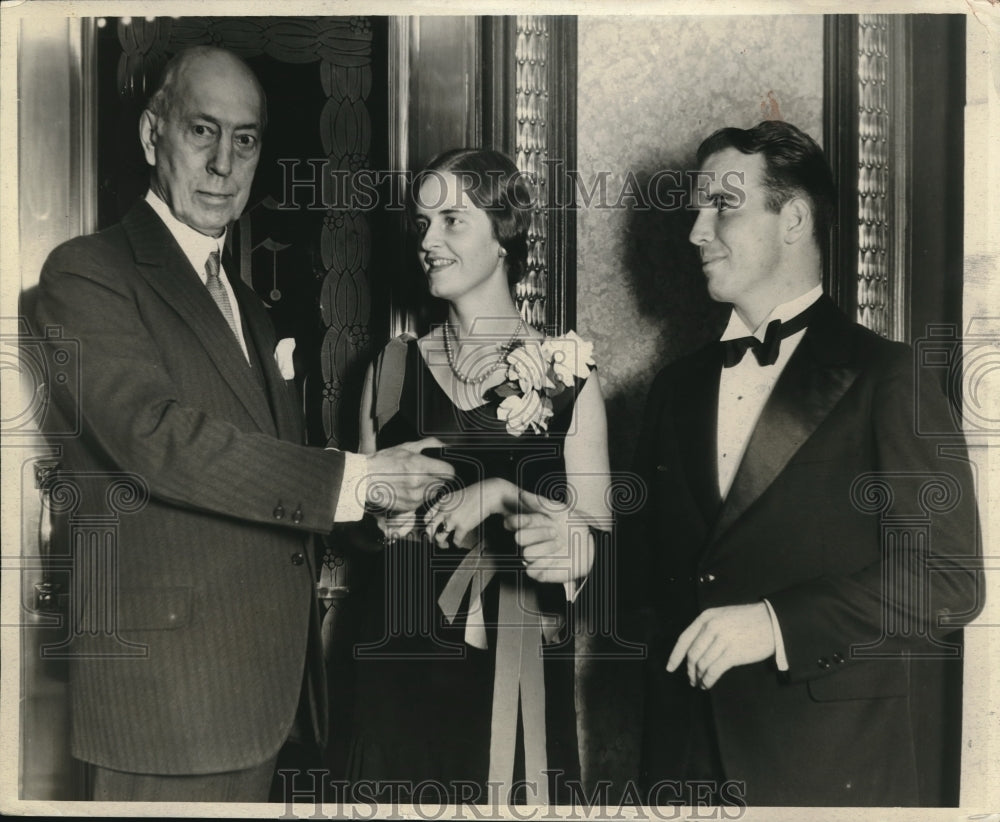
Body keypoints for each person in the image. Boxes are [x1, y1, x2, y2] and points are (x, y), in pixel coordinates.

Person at [32, 46, 453, 802]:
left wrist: (373, 518)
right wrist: (357, 479)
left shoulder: (249, 307)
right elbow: (155, 439)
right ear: (151, 135)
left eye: (247, 139)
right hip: (163, 707)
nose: (225, 162)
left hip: (262, 699)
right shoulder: (86, 273)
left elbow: (270, 472)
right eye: (202, 131)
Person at [628, 120, 983, 806]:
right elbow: (646, 573)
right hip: (682, 764)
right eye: (696, 211)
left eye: (722, 206)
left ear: (792, 218)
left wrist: (774, 622)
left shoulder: (891, 376)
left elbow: (947, 578)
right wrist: (564, 538)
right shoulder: (673, 390)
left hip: (826, 769)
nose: (696, 231)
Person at [345, 148, 611, 805]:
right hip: (396, 680)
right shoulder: (389, 370)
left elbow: (605, 560)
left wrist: (503, 500)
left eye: (452, 221)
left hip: (512, 682)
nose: (428, 240)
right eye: (422, 223)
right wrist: (380, 518)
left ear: (505, 235)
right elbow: (355, 529)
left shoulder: (567, 378)